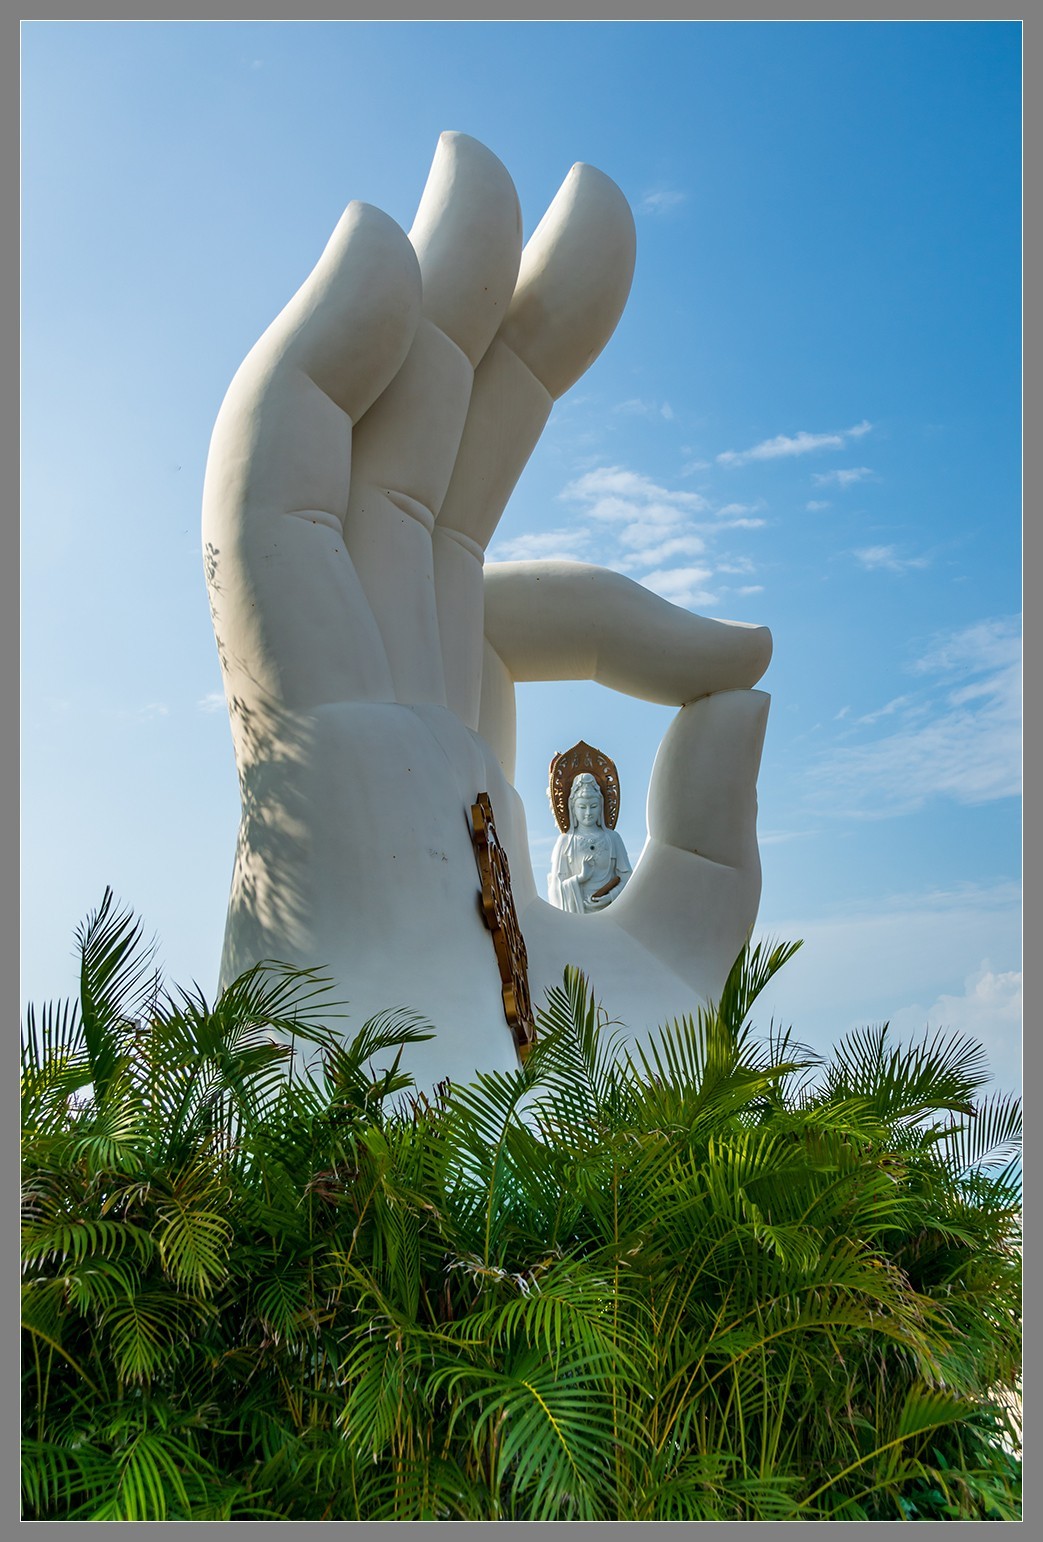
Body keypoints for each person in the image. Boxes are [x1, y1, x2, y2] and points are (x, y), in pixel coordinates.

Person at [549, 773, 632, 913]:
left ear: (601, 806)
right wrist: (580, 879)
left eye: (593, 806)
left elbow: (628, 879)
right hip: (577, 914)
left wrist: (611, 896)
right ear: (573, 809)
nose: (588, 813)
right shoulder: (566, 841)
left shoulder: (612, 838)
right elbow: (556, 887)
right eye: (582, 807)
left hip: (610, 912)